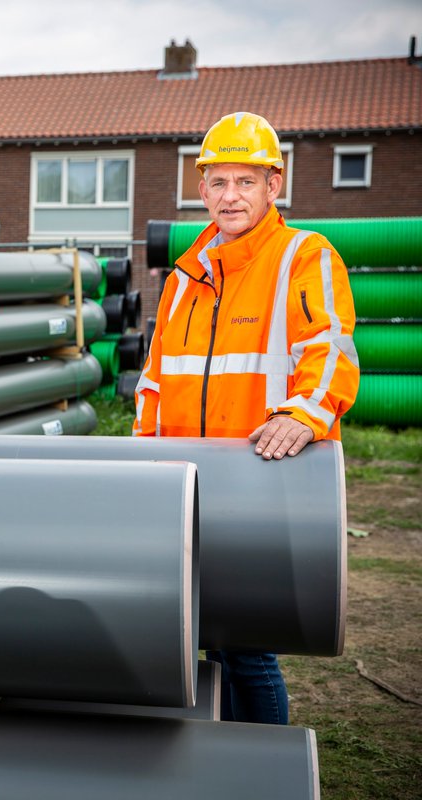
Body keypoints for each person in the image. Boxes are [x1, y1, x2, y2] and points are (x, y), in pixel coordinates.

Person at [133, 111, 360, 724]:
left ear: (273, 184)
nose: (230, 196)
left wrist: (305, 413)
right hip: (182, 487)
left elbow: (330, 350)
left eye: (246, 181)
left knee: (244, 647)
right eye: (218, 182)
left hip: (260, 484)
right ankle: (226, 758)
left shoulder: (302, 257)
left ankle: (264, 770)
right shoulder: (185, 276)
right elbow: (155, 380)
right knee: (198, 637)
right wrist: (142, 462)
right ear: (200, 187)